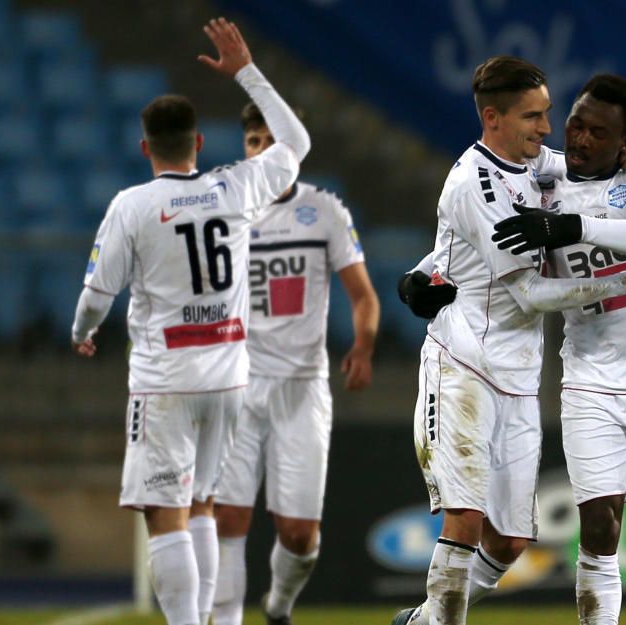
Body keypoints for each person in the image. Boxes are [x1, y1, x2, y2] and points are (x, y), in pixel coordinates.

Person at [70, 18, 309, 625]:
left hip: (166, 380)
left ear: (145, 147)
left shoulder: (134, 205)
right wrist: (247, 72)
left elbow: (97, 294)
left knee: (166, 512)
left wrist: (82, 332)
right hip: (228, 378)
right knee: (202, 502)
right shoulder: (235, 186)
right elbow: (296, 143)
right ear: (198, 143)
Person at [393, 56, 626, 625]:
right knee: (464, 518)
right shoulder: (473, 181)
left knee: (508, 540)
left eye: (548, 114)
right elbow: (530, 294)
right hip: (463, 364)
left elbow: (583, 168)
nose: (547, 128)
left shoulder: (536, 165)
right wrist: (620, 281)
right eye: (533, 116)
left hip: (518, 377)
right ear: (493, 118)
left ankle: (422, 622)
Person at [489, 73, 626, 625]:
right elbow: (483, 184)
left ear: (625, 139)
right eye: (575, 125)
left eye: (598, 133)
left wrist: (574, 228)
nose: (581, 139)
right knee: (599, 527)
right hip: (590, 377)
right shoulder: (543, 180)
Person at [210, 102, 380, 625]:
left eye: (272, 141)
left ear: (293, 149)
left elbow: (363, 296)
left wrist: (363, 345)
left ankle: (279, 605)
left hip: (302, 388)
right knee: (228, 519)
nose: (262, 151)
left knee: (299, 536)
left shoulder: (324, 211)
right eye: (253, 142)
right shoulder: (224, 210)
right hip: (236, 384)